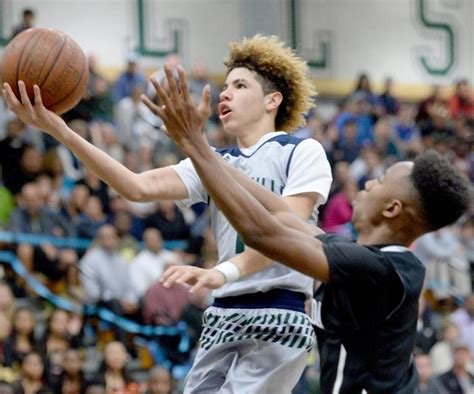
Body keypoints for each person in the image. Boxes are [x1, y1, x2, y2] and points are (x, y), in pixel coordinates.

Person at [2, 34, 332, 393]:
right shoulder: (214, 161)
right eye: (225, 86)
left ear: (273, 100)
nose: (225, 93)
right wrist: (60, 130)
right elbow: (135, 186)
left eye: (240, 85)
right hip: (223, 312)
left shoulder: (301, 151)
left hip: (279, 308)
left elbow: (286, 231)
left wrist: (220, 273)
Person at [147, 63, 471, 392]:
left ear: (392, 208)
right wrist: (209, 157)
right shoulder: (368, 259)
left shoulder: (375, 269)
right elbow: (284, 217)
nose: (369, 182)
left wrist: (196, 147)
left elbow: (263, 233)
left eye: (381, 180)